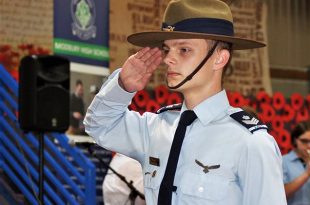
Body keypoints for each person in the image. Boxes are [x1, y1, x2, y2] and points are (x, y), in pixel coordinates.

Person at [84, 0, 286, 204]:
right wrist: (121, 86)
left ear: (219, 59)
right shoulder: (156, 129)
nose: (168, 59)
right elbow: (99, 125)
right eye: (166, 49)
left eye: (184, 50)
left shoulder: (251, 143)